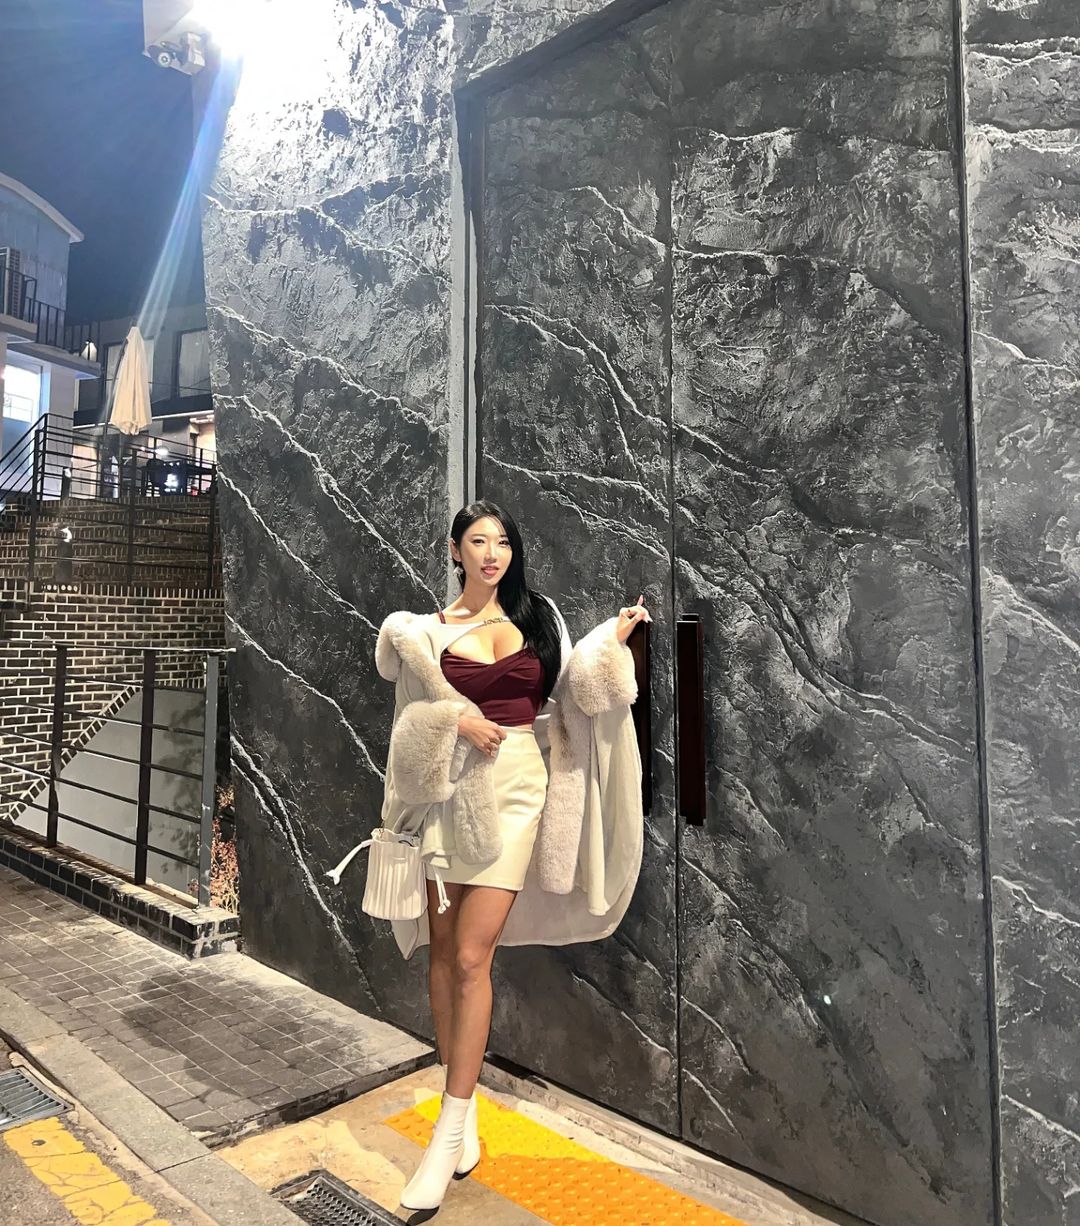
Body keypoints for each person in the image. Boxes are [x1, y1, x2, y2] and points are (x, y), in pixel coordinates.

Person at [369, 499, 650, 1214]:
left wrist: (611, 641)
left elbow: (570, 693)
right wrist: (454, 720)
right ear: (454, 550)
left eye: (502, 542)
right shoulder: (428, 633)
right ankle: (457, 1105)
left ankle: (448, 1132)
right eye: (477, 541)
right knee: (441, 955)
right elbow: (407, 725)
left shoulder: (538, 618)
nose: (492, 553)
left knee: (472, 956)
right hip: (447, 799)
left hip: (519, 792)